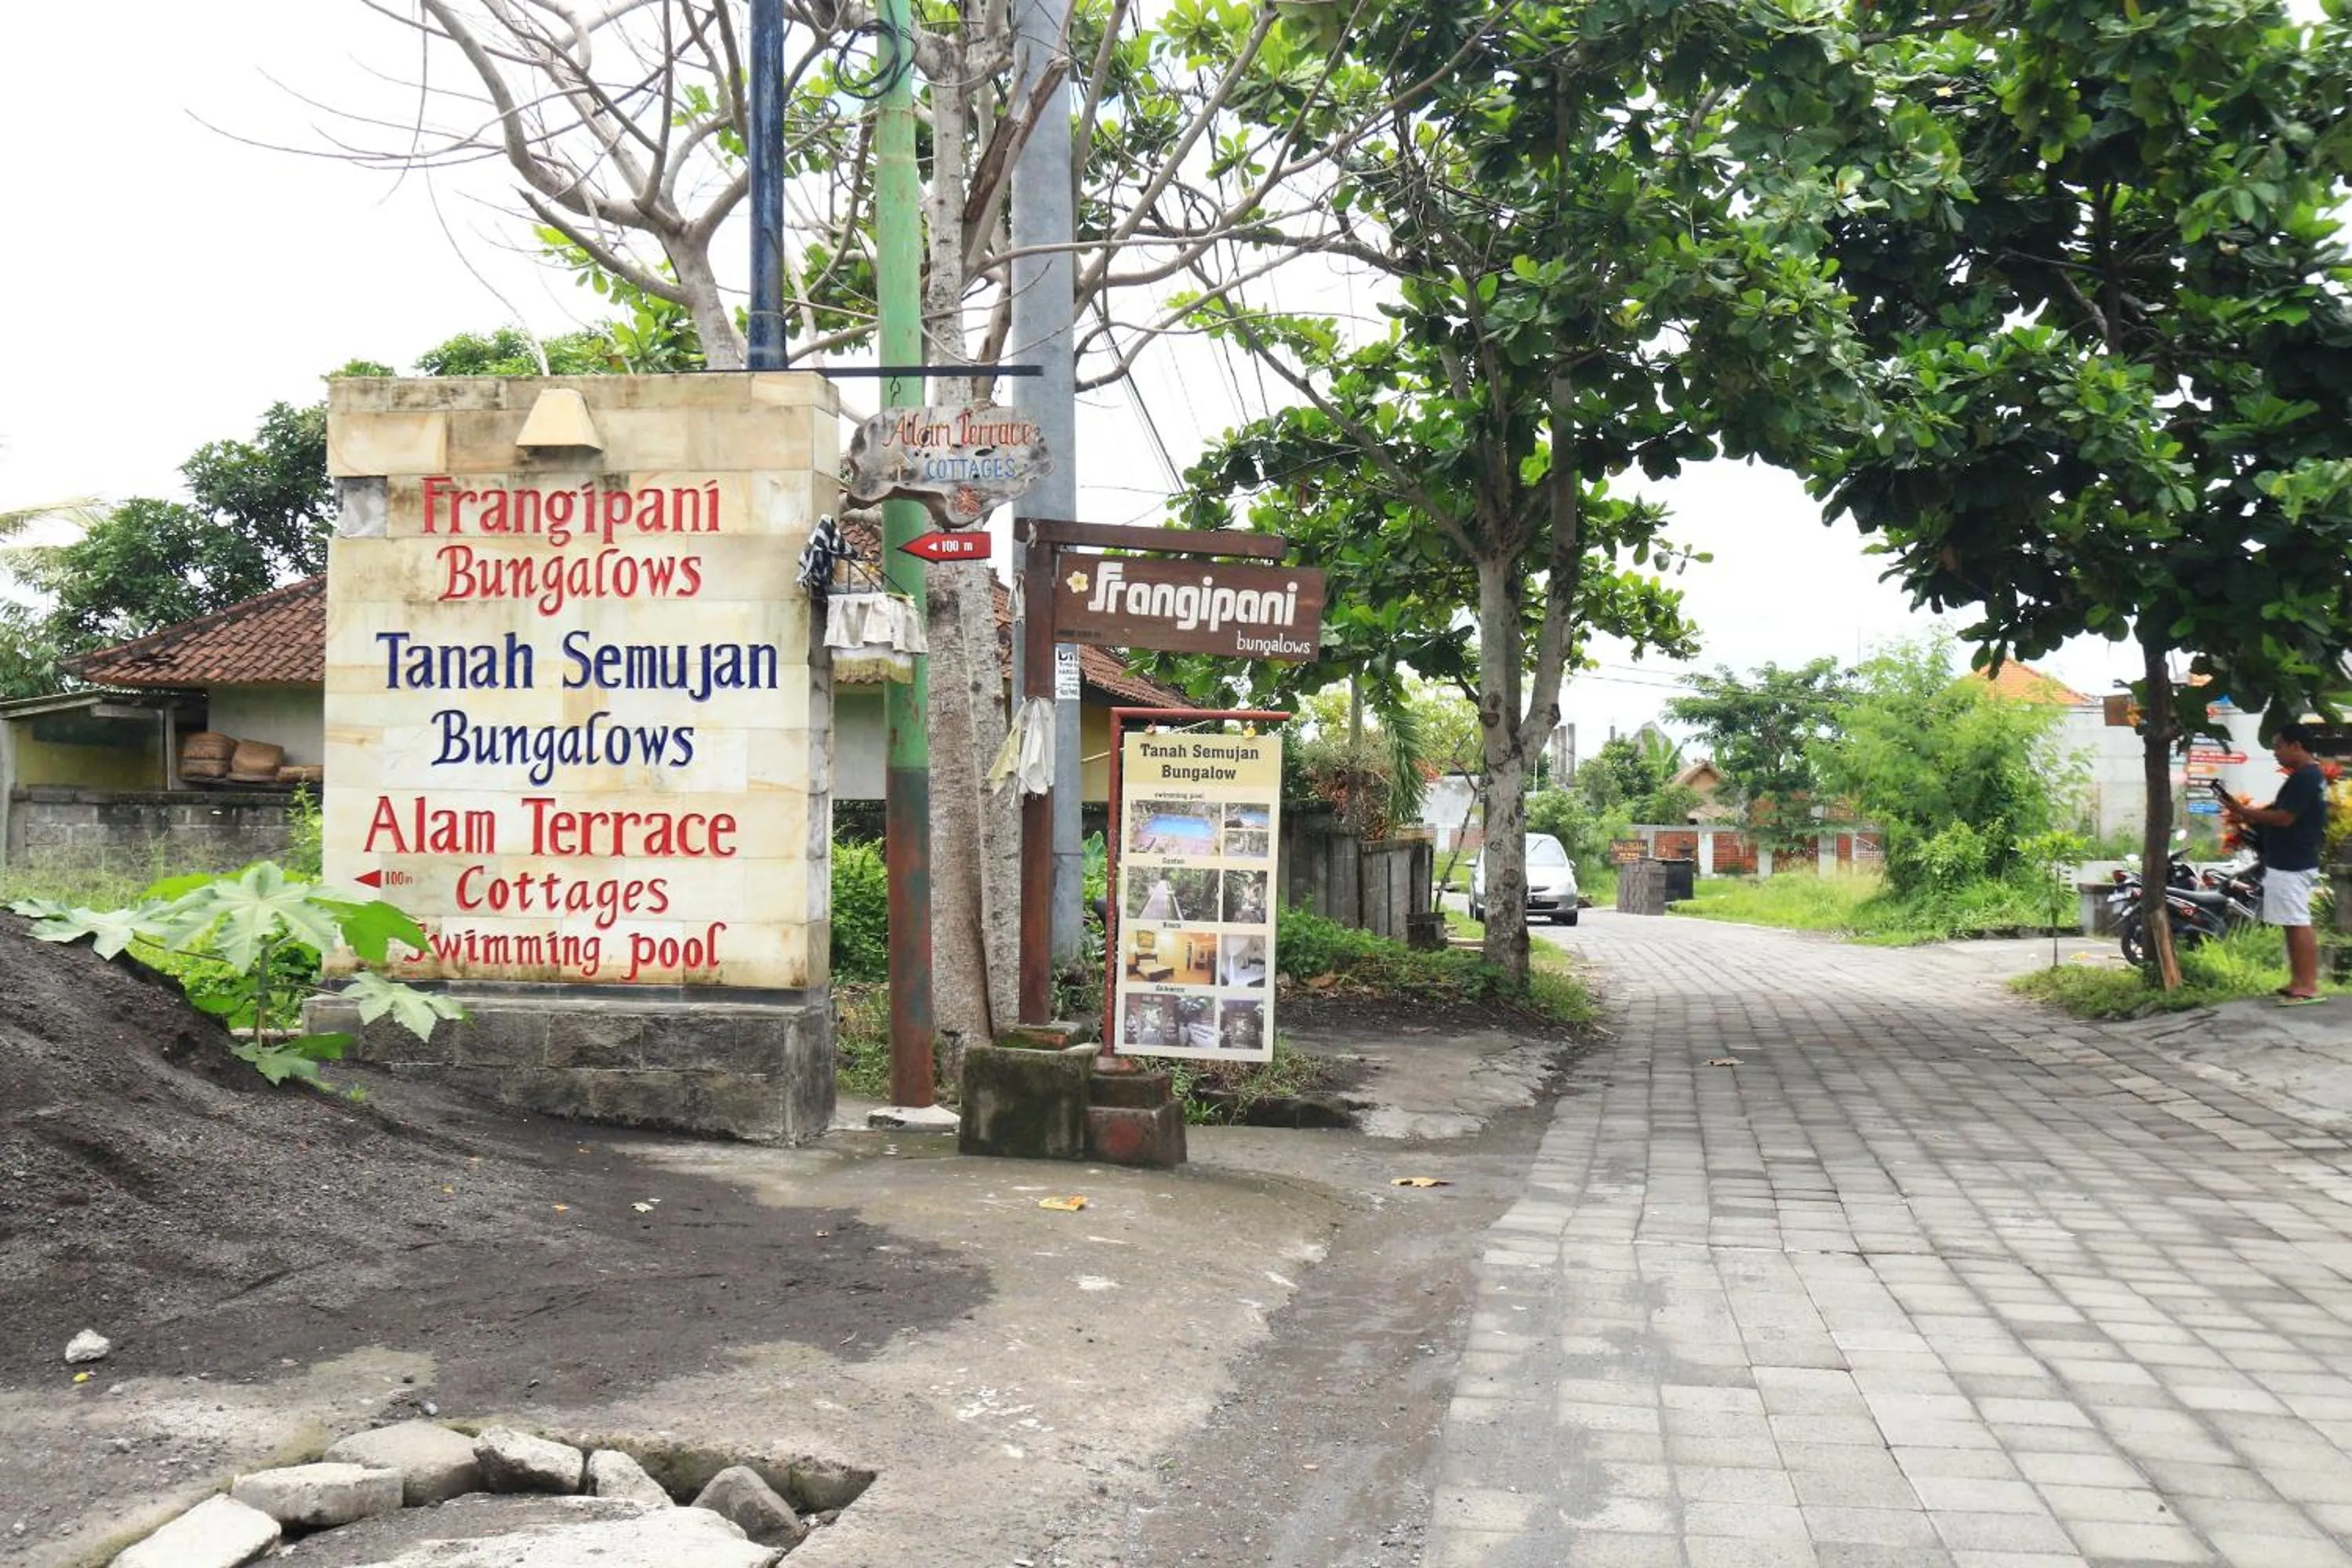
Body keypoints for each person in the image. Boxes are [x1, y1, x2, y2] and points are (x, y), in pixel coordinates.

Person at [2222, 722, 2331, 1004]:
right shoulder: (2306, 777)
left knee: (2297, 920)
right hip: (2289, 857)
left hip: (2293, 859)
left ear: (2296, 746)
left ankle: (2308, 985)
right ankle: (2298, 981)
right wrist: (2246, 814)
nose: (2275, 753)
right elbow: (2278, 813)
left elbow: (2284, 818)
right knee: (2290, 921)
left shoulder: (2306, 777)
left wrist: (2246, 811)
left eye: (2279, 746)